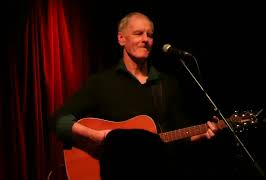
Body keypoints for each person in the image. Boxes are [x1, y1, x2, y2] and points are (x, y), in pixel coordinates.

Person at [50, 11, 223, 180]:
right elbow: (59, 120)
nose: (145, 39)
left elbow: (179, 133)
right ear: (121, 39)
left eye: (150, 35)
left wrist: (203, 133)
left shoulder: (167, 84)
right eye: (138, 33)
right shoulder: (101, 83)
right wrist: (99, 136)